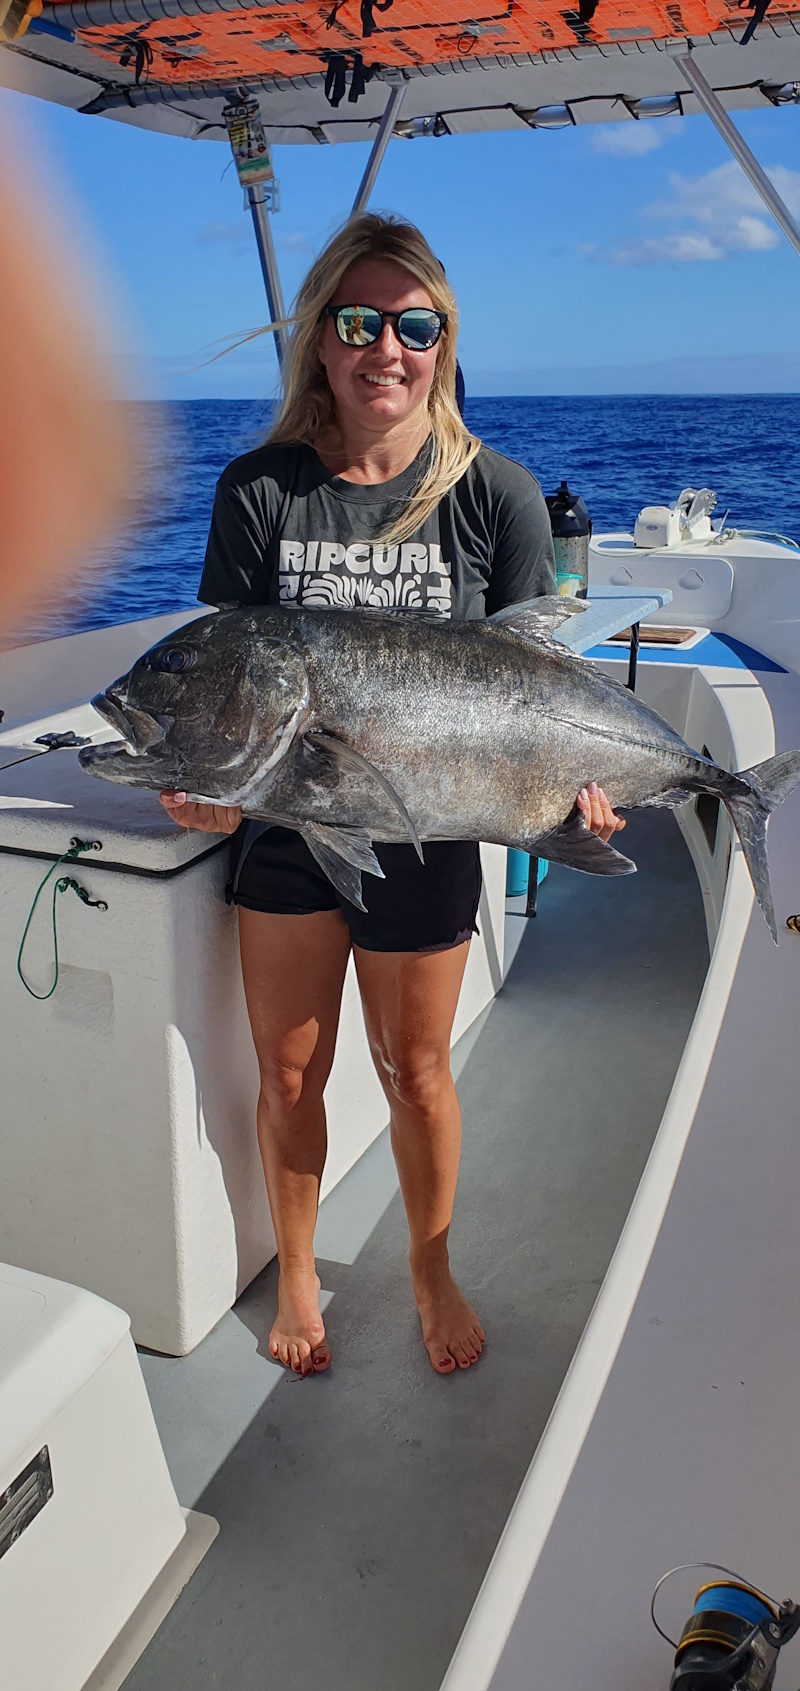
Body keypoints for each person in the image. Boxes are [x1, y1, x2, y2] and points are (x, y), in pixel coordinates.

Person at [160, 213, 624, 1377]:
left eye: (414, 325)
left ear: (443, 344)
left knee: (413, 1070)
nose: (387, 348)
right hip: (293, 825)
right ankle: (301, 1268)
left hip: (428, 832)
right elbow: (224, 671)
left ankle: (427, 1262)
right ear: (319, 339)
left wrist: (578, 795)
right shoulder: (260, 491)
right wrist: (201, 779)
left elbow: (538, 689)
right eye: (359, 321)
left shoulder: (495, 494)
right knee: (285, 1071)